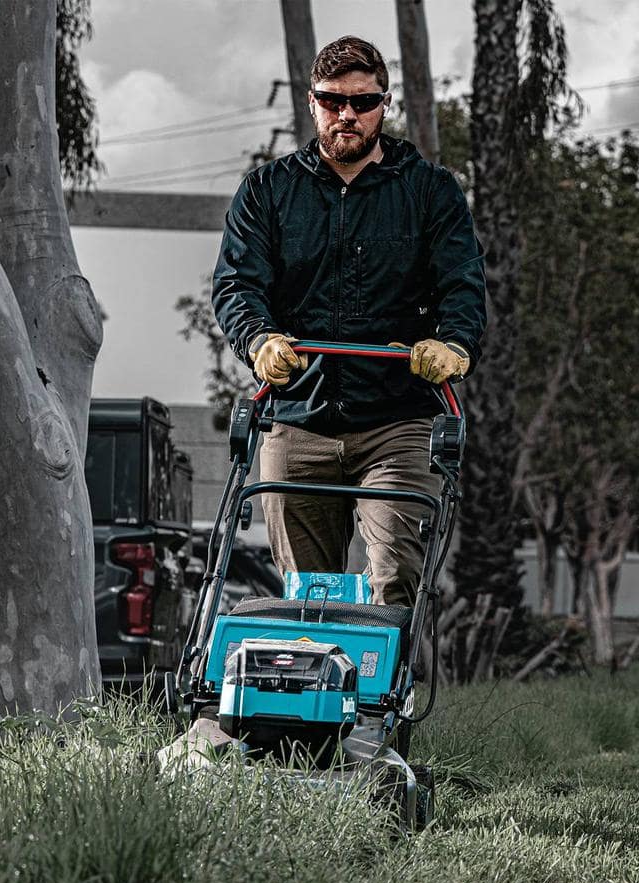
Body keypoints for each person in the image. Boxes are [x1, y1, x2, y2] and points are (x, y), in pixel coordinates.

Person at [212, 35, 486, 608]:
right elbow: (237, 284)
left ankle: (390, 668)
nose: (347, 114)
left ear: (384, 105)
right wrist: (258, 339)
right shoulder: (267, 191)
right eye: (333, 100)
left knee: (396, 578)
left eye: (363, 102)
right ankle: (312, 667)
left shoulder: (429, 192)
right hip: (297, 416)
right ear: (312, 102)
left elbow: (462, 285)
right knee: (305, 597)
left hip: (398, 421)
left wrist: (453, 345)